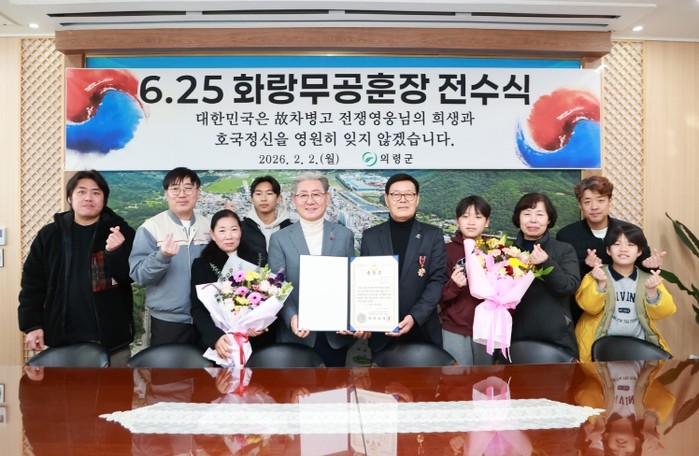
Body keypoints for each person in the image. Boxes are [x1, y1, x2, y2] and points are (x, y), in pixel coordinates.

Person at [18, 170, 135, 366]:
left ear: (104, 199)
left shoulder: (121, 233)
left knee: (115, 386)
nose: (88, 197)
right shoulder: (49, 235)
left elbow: (129, 277)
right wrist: (32, 325)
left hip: (112, 340)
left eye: (96, 193)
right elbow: (32, 284)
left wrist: (115, 252)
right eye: (81, 192)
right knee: (60, 386)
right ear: (69, 198)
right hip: (60, 339)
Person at [268, 172, 357, 367]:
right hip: (298, 333)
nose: (310, 201)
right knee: (298, 386)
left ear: (327, 197)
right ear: (294, 200)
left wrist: (352, 318)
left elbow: (353, 282)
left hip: (336, 334)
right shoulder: (280, 239)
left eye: (316, 194)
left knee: (334, 385)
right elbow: (277, 286)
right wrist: (292, 317)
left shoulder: (344, 235)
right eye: (303, 195)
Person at [556, 176, 665, 323]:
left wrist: (650, 265)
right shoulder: (566, 235)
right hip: (583, 310)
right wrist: (586, 267)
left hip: (626, 308)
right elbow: (564, 280)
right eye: (587, 202)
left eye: (600, 200)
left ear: (610, 201)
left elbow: (643, 274)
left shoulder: (630, 231)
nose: (594, 207)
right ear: (580, 205)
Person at [360, 173, 448, 355]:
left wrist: (415, 316)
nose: (402, 199)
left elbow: (437, 280)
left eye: (408, 194)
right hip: (381, 331)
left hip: (422, 328)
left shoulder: (433, 235)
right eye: (396, 194)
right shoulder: (370, 236)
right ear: (386, 199)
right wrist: (363, 319)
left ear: (417, 199)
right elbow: (363, 282)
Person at [129, 167, 211, 346]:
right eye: (175, 189)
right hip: (167, 321)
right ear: (166, 193)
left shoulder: (209, 226)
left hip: (208, 319)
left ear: (198, 192)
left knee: (206, 365)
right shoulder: (151, 227)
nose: (182, 194)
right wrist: (162, 256)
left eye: (188, 188)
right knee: (168, 364)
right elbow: (139, 275)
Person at [575, 222, 676, 363]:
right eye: (617, 244)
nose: (623, 249)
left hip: (639, 351)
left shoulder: (649, 279)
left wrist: (652, 292)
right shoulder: (595, 275)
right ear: (608, 250)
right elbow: (589, 307)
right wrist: (600, 284)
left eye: (630, 245)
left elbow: (664, 312)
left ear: (639, 252)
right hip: (600, 349)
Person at [190, 209, 270, 359]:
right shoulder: (202, 265)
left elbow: (266, 300)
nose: (229, 236)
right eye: (222, 230)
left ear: (241, 231)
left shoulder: (257, 260)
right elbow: (197, 308)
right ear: (212, 234)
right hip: (220, 343)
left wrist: (258, 324)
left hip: (252, 342)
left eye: (234, 229)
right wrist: (215, 337)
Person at [510, 192, 580, 359]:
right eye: (527, 214)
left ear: (549, 219)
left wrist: (546, 262)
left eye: (540, 214)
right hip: (514, 335)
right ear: (519, 218)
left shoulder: (564, 249)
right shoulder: (505, 251)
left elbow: (569, 286)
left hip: (555, 336)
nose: (533, 220)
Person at [439, 195, 494, 366]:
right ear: (457, 221)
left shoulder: (497, 250)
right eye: (465, 216)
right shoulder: (446, 251)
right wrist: (454, 286)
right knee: (457, 378)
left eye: (478, 217)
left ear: (487, 222)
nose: (471, 222)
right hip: (455, 327)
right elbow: (437, 296)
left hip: (488, 328)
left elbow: (508, 294)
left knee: (486, 378)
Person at [240, 175, 292, 267]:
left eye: (269, 193)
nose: (263, 199)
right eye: (258, 194)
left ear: (278, 198)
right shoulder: (241, 229)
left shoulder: (290, 229)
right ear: (252, 199)